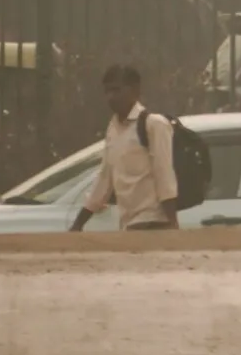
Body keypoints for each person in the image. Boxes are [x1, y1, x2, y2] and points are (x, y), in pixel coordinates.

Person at [69, 63, 180, 232]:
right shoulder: (114, 129)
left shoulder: (153, 125)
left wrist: (172, 223)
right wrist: (79, 223)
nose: (110, 97)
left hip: (154, 222)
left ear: (134, 90)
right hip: (129, 224)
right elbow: (105, 178)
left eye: (116, 90)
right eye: (107, 92)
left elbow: (164, 174)